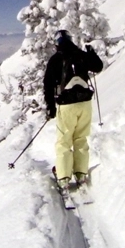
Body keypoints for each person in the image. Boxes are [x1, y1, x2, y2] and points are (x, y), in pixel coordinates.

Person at [43, 30, 103, 191]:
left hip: (66, 104)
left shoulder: (55, 59)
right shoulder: (81, 55)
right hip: (85, 102)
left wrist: (50, 107)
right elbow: (98, 67)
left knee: (64, 141)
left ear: (57, 43)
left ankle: (63, 177)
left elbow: (48, 85)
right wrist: (92, 53)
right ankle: (81, 173)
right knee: (81, 138)